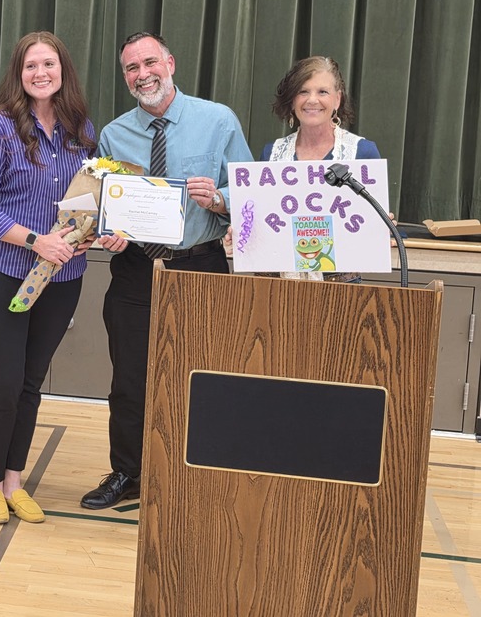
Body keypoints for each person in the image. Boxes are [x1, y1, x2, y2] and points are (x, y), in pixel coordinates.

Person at [80, 32, 253, 510]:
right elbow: (105, 206)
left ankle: (198, 478)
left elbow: (249, 194)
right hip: (135, 270)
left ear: (170, 63)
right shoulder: (114, 134)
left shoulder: (217, 121)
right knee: (130, 380)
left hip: (200, 267)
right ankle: (128, 473)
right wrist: (109, 233)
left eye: (149, 63)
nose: (142, 75)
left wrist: (218, 198)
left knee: (204, 375)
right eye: (131, 69)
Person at [0, 31, 104, 525]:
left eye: (49, 64)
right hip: (1, 273)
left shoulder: (82, 129)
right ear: (18, 74)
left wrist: (99, 233)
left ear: (63, 70)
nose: (40, 73)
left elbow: (92, 201)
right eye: (30, 66)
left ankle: (14, 478)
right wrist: (35, 241)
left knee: (29, 383)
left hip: (62, 279)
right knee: (1, 382)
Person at [261, 55, 381, 283]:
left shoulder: (362, 152)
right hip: (278, 286)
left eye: (322, 92)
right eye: (303, 91)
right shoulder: (271, 154)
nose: (312, 100)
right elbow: (262, 222)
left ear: (337, 99)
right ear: (292, 100)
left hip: (342, 290)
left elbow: (369, 227)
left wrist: (380, 225)